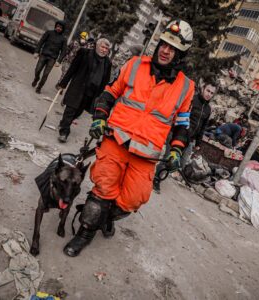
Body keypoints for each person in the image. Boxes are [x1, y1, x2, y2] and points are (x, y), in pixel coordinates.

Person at [63, 20, 195, 257]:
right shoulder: (135, 65)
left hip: (147, 153)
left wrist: (176, 150)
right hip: (116, 141)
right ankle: (85, 232)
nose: (165, 50)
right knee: (102, 189)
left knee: (133, 199)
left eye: (172, 48)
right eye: (163, 44)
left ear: (180, 55)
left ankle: (105, 218)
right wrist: (99, 118)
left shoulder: (186, 87)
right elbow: (109, 93)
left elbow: (183, 125)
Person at [152, 81, 215, 193]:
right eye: (208, 90)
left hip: (190, 140)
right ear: (202, 88)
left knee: (180, 163)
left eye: (212, 93)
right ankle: (156, 179)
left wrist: (198, 144)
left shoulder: (208, 109)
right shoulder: (192, 100)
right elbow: (179, 115)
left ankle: (162, 173)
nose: (209, 94)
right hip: (177, 134)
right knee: (169, 158)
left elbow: (202, 127)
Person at [57, 38, 112, 143]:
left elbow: (105, 80)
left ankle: (64, 122)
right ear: (96, 46)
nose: (104, 50)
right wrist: (63, 83)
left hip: (91, 92)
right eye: (102, 47)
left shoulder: (108, 62)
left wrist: (102, 96)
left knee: (78, 112)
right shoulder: (84, 53)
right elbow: (73, 68)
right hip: (78, 87)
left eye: (106, 48)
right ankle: (64, 132)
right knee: (71, 109)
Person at [32, 20, 67, 94]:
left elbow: (63, 51)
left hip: (52, 58)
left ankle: (39, 87)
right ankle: (36, 78)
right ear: (55, 26)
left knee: (45, 74)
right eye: (57, 26)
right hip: (43, 55)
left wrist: (59, 61)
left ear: (63, 29)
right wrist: (36, 52)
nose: (58, 28)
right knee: (37, 70)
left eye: (60, 27)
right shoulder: (49, 33)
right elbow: (41, 42)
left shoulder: (63, 39)